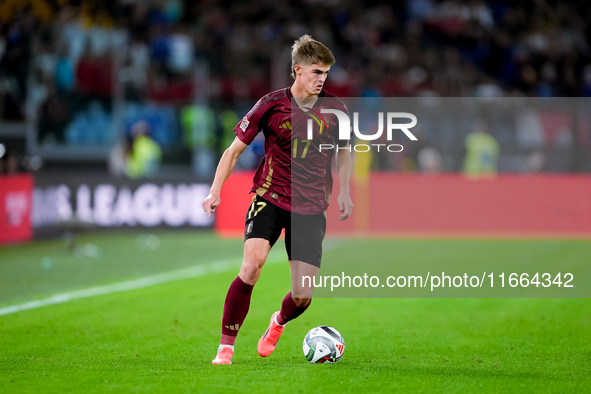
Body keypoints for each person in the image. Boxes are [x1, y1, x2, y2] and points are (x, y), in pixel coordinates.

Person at [202, 35, 353, 365]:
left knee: (302, 296)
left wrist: (344, 189)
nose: (322, 79)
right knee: (252, 265)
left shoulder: (336, 110)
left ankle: (278, 322)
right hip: (269, 198)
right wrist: (215, 190)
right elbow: (233, 152)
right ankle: (226, 347)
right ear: (298, 70)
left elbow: (344, 151)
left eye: (326, 73)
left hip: (311, 208)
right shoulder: (270, 104)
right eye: (316, 72)